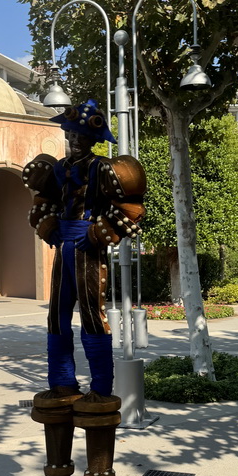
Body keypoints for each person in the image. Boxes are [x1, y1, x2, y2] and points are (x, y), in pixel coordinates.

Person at [23, 99, 146, 400]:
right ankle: (62, 382)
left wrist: (98, 233)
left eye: (81, 136)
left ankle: (101, 388)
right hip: (64, 244)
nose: (75, 141)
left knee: (92, 314)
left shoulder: (103, 168)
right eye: (71, 135)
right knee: (56, 314)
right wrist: (48, 223)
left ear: (93, 139)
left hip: (86, 247)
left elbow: (132, 209)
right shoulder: (59, 168)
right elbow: (45, 202)